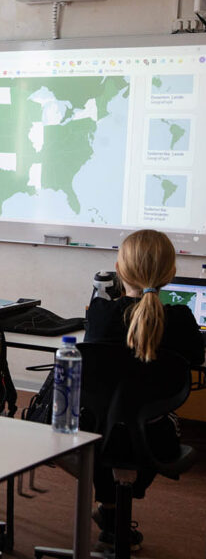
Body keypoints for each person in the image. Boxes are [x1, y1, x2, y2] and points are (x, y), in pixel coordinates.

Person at [84, 229, 204, 549]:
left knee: (105, 420)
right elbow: (195, 357)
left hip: (97, 435)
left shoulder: (100, 313)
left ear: (119, 270)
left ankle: (111, 513)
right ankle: (118, 510)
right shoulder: (180, 319)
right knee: (142, 429)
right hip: (156, 441)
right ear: (172, 273)